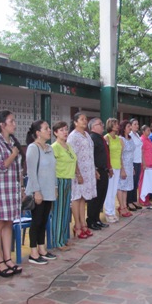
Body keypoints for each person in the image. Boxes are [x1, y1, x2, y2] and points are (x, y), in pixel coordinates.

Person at [0, 110, 23, 277]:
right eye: (11, 121)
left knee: (8, 223)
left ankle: (8, 258)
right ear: (2, 125)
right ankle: (0, 261)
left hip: (12, 188)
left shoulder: (12, 142)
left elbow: (19, 168)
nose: (14, 124)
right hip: (1, 188)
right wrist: (13, 154)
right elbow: (0, 166)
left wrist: (21, 188)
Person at [25, 120, 57, 265]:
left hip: (49, 190)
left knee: (44, 221)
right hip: (38, 191)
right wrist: (36, 191)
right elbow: (31, 172)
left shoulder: (49, 148)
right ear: (38, 133)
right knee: (36, 221)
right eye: (46, 128)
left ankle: (42, 249)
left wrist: (55, 187)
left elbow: (53, 169)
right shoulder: (33, 148)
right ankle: (33, 252)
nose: (49, 130)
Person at [68, 112, 97, 236]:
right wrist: (78, 173)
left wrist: (94, 170)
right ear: (75, 122)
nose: (85, 121)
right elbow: (72, 156)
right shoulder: (73, 136)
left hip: (88, 171)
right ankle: (77, 225)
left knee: (83, 198)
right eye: (82, 119)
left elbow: (90, 155)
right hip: (78, 172)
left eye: (86, 119)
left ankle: (83, 223)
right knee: (76, 198)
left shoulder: (87, 135)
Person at [51, 121, 76, 251]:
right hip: (59, 180)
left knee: (66, 211)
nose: (65, 132)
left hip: (68, 179)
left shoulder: (68, 146)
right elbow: (52, 166)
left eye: (66, 129)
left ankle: (64, 238)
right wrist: (54, 185)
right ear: (55, 133)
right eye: (61, 130)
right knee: (59, 211)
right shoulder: (54, 147)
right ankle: (58, 241)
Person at [83, 117, 106, 232]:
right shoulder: (92, 138)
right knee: (94, 198)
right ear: (93, 127)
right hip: (96, 171)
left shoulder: (101, 138)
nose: (102, 126)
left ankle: (97, 218)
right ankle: (91, 220)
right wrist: (95, 169)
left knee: (101, 196)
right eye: (100, 124)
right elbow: (91, 156)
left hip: (104, 170)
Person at [104, 118, 123, 223]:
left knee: (114, 190)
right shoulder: (106, 138)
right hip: (110, 167)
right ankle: (108, 211)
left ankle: (112, 210)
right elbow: (106, 154)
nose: (117, 126)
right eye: (115, 124)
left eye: (117, 124)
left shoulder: (119, 139)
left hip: (117, 166)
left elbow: (120, 155)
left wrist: (122, 168)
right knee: (109, 190)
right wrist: (109, 167)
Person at [117, 120, 134, 217]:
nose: (130, 128)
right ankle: (121, 206)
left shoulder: (130, 139)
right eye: (128, 126)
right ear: (123, 128)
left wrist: (132, 167)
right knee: (121, 186)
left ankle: (124, 205)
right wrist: (122, 169)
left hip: (129, 166)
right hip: (123, 165)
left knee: (126, 187)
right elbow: (119, 155)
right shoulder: (121, 139)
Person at [126, 118, 143, 212]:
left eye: (137, 124)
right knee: (131, 182)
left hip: (138, 161)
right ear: (131, 126)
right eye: (135, 124)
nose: (137, 126)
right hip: (132, 162)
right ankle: (129, 201)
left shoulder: (137, 135)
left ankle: (134, 200)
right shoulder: (130, 136)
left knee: (135, 182)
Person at [138, 125, 152, 207]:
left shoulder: (148, 139)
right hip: (145, 164)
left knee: (148, 183)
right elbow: (141, 153)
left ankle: (146, 199)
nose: (149, 132)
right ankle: (142, 199)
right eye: (148, 130)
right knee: (143, 182)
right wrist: (144, 163)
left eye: (149, 130)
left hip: (150, 163)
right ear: (143, 131)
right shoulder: (142, 140)